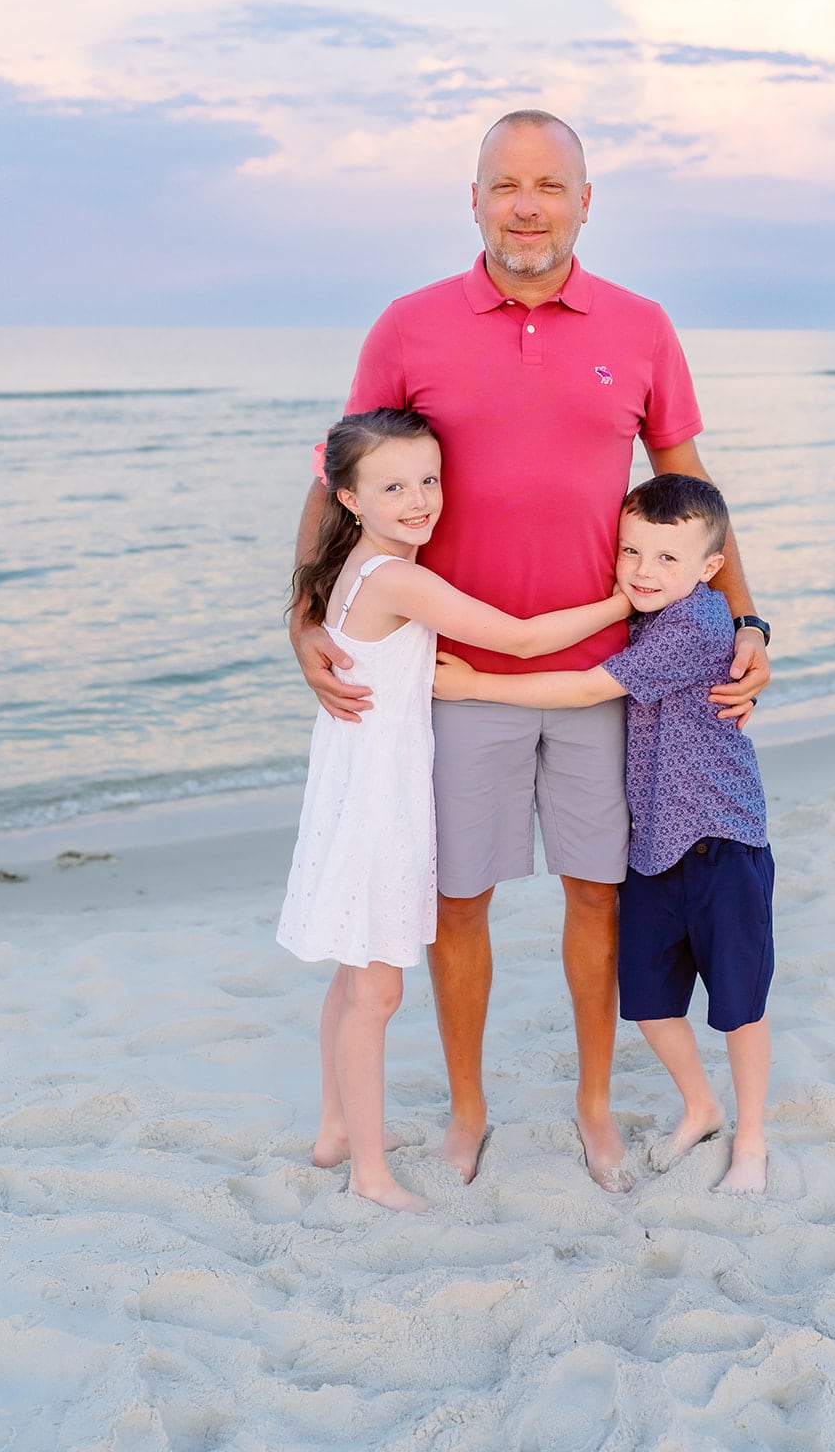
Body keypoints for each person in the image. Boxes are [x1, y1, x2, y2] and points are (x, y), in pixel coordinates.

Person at [289, 109, 771, 1191]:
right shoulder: (408, 326)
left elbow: (694, 493)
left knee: (597, 894)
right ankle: (466, 1113)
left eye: (549, 186)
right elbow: (339, 478)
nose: (526, 206)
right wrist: (303, 622)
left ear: (585, 202)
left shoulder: (640, 325)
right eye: (504, 185)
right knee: (458, 903)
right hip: (453, 681)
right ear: (472, 199)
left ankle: (594, 1108)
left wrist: (745, 622)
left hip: (606, 679)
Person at [277, 408, 631, 1213]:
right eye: (393, 485)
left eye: (429, 479)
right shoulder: (398, 577)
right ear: (346, 497)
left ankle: (336, 1130)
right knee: (377, 995)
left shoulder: (353, 567)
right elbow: (520, 639)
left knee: (349, 973)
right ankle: (369, 1172)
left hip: (352, 782)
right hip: (377, 796)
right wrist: (619, 605)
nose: (419, 500)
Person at [434, 474, 774, 1194]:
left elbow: (589, 689)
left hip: (720, 840)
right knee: (647, 1000)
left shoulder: (694, 626)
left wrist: (475, 686)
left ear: (711, 568)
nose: (644, 572)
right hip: (654, 845)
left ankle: (750, 1142)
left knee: (738, 1005)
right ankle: (700, 1105)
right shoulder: (647, 615)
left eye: (667, 559)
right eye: (631, 552)